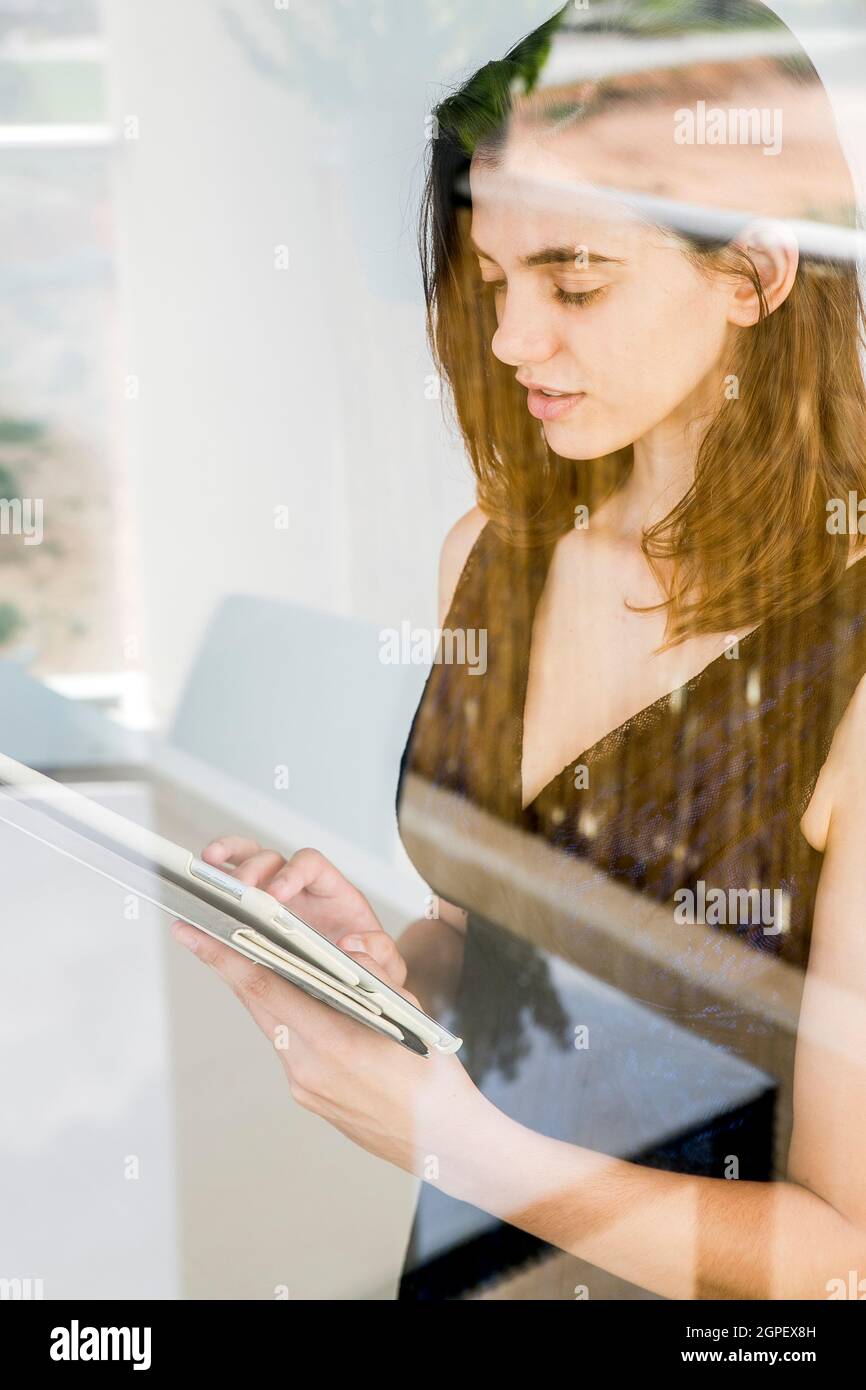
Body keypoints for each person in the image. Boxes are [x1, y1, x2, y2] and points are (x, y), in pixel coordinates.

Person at [171, 1, 866, 1299]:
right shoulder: (488, 552)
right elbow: (510, 947)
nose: (506, 341)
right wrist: (384, 958)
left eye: (573, 281)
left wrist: (461, 1147)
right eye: (493, 280)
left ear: (756, 272)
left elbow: (844, 1253)